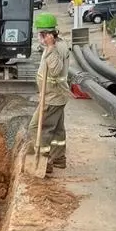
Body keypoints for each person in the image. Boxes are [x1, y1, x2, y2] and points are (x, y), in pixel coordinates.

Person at [29, 14, 69, 174]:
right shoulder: (58, 44)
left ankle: (44, 162)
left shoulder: (55, 48)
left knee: (37, 127)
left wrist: (50, 49)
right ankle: (59, 158)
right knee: (58, 129)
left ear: (46, 34)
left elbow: (56, 69)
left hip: (52, 97)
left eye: (40, 34)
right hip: (57, 96)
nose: (38, 37)